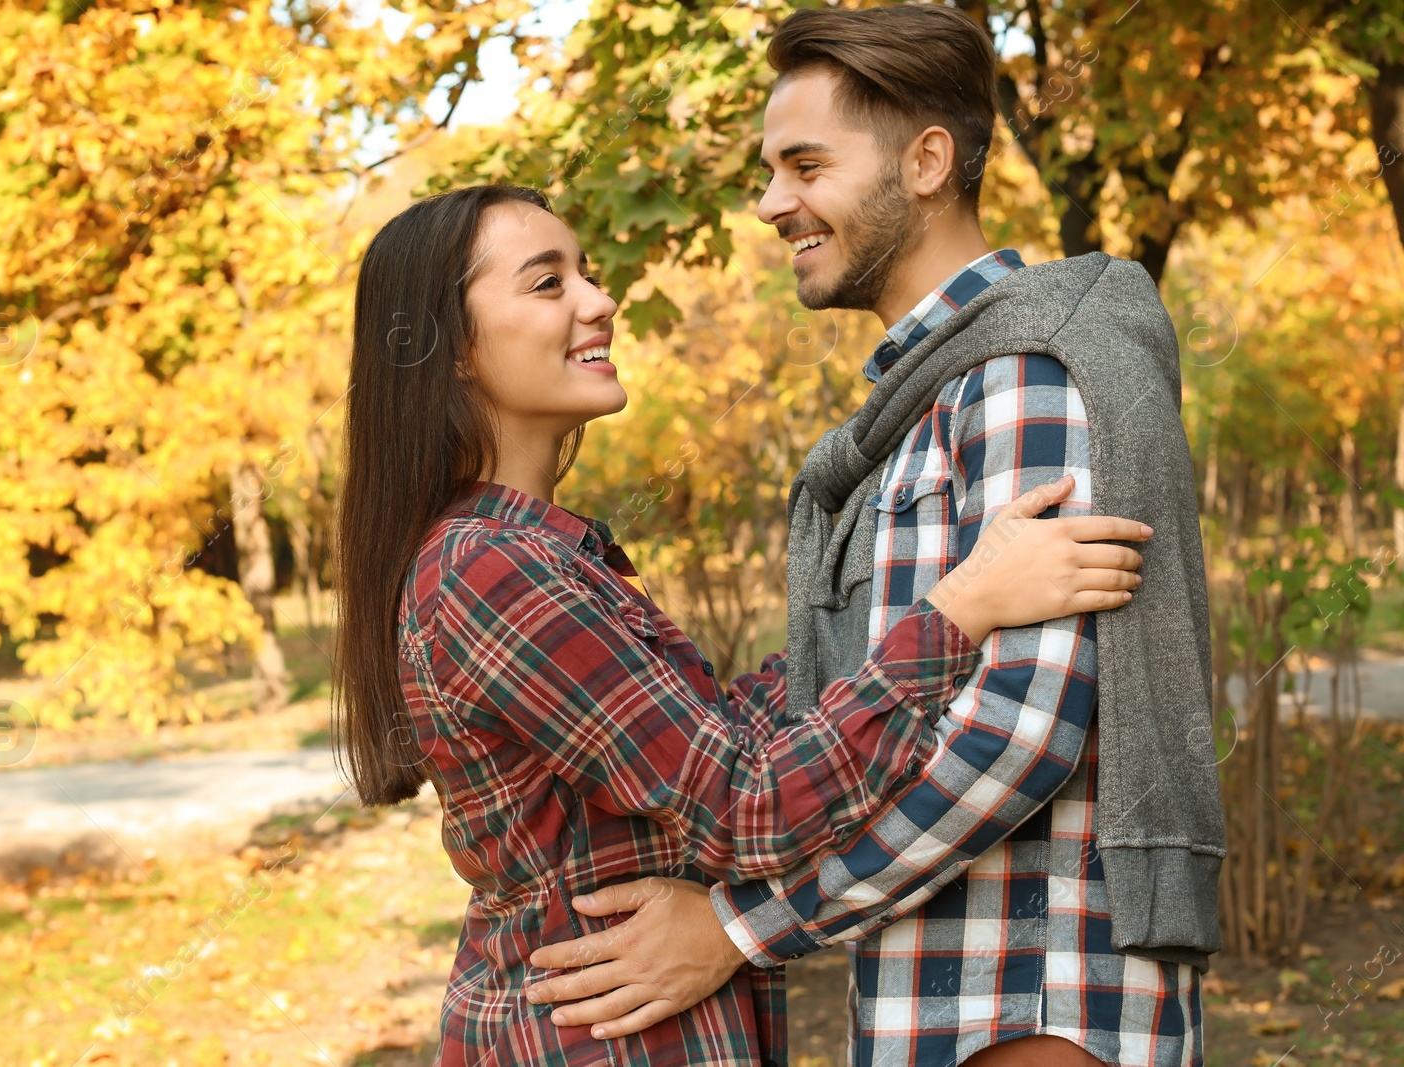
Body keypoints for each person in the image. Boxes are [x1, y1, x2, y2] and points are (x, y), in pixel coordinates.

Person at [522, 7, 1224, 1067]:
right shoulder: (922, 403)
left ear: (928, 161)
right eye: (768, 170)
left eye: (805, 164)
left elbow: (1019, 732)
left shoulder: (1023, 375)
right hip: (947, 988)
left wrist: (737, 927)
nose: (770, 203)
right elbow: (869, 706)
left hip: (1027, 991)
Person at [330, 183, 1155, 1066]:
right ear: (450, 349)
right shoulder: (489, 569)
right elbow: (747, 803)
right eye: (546, 284)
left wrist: (923, 581)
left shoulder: (544, 555)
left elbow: (728, 734)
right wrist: (958, 611)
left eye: (589, 273)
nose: (599, 301)